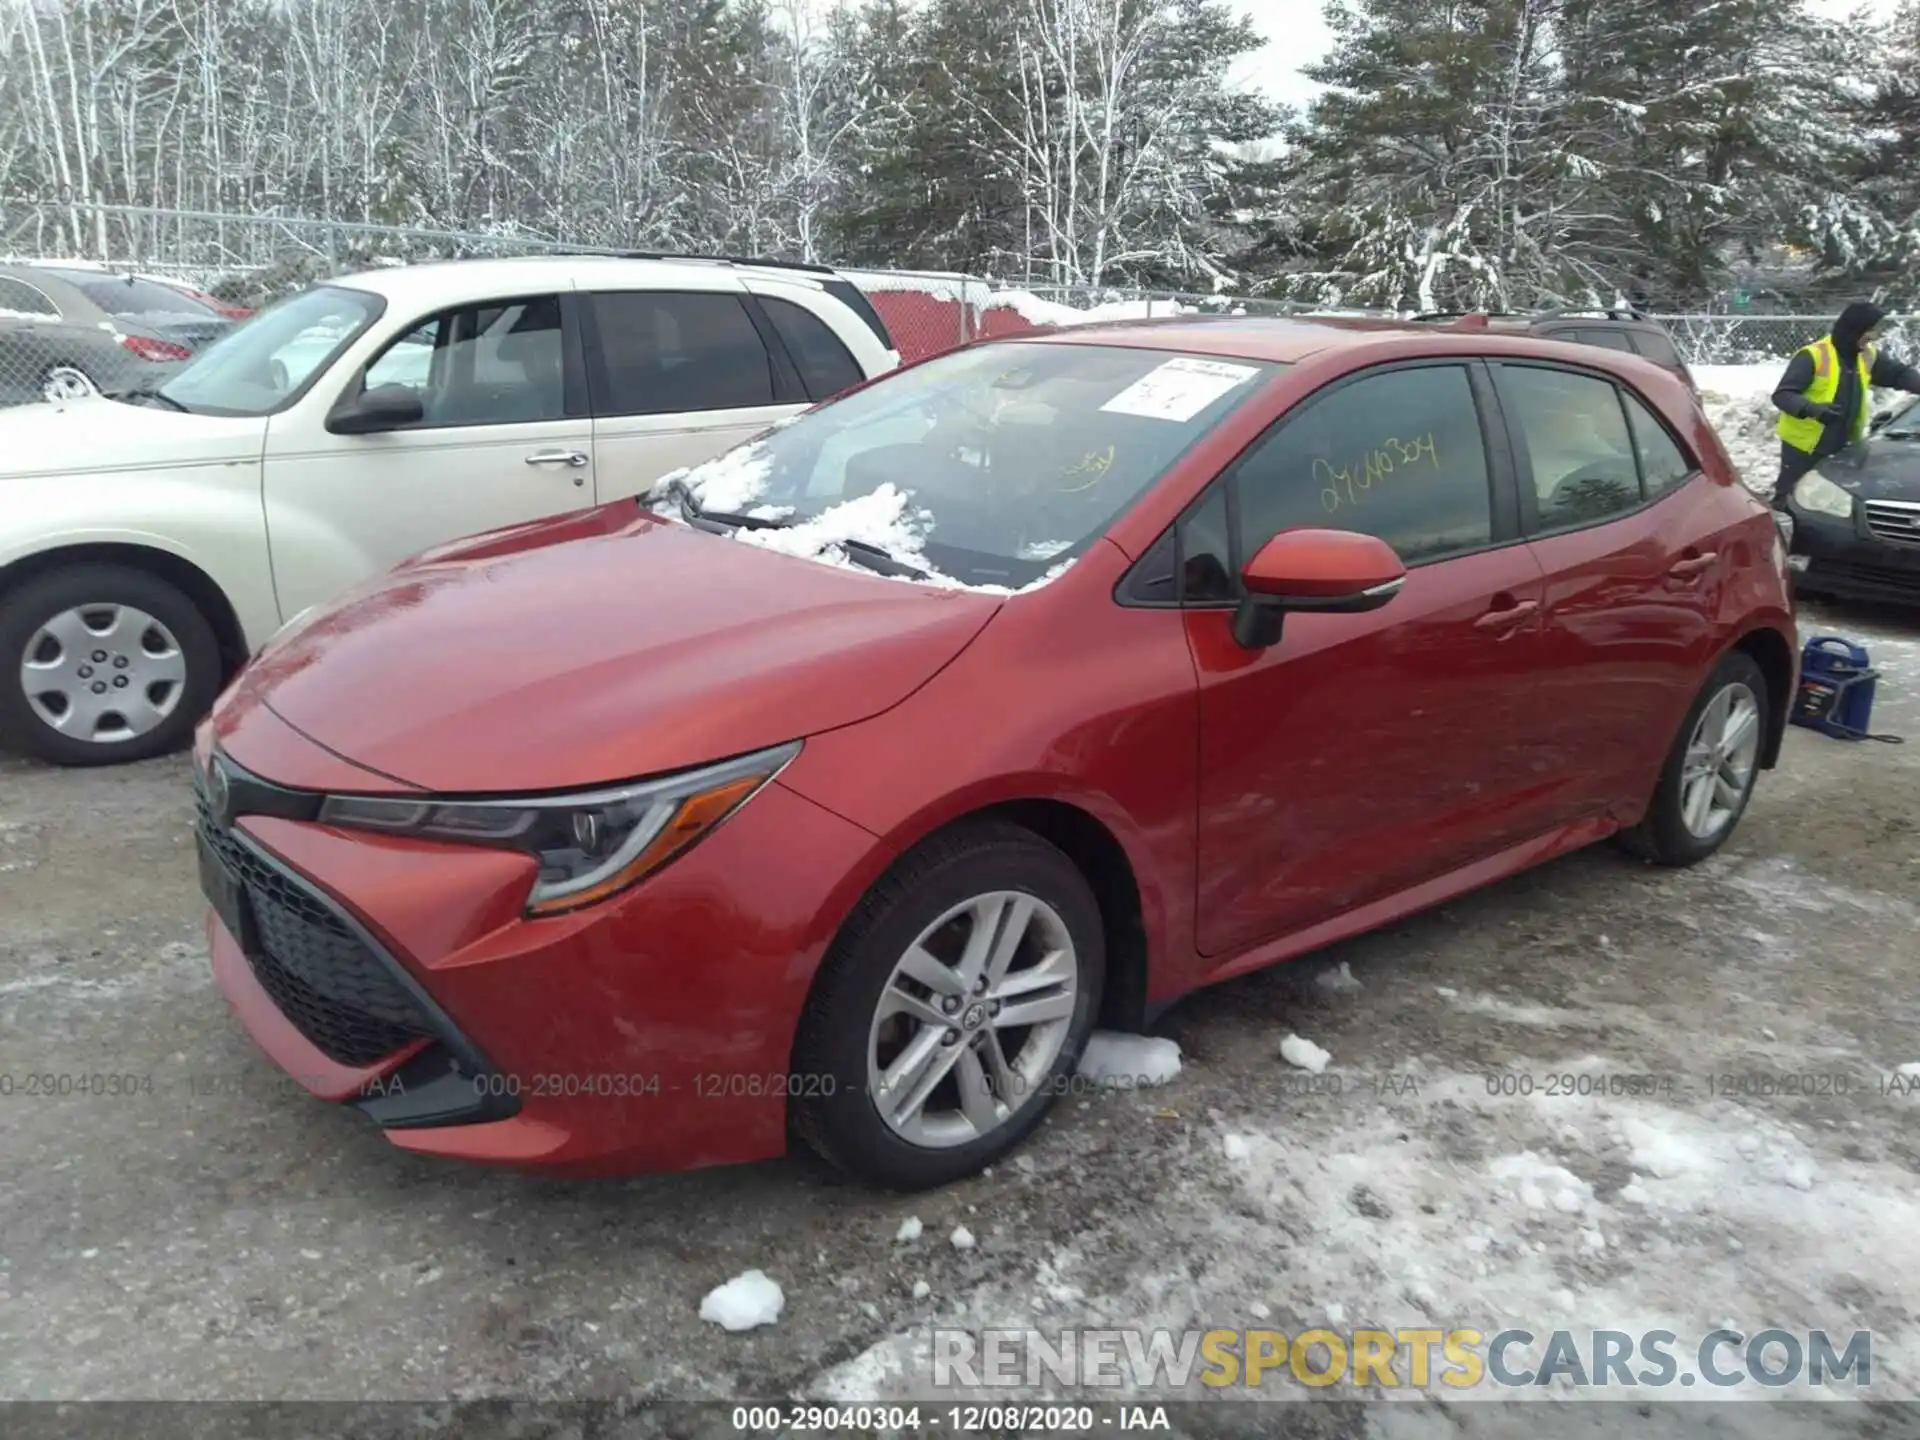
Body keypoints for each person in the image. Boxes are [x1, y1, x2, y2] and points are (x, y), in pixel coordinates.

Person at [1771, 301, 1920, 505]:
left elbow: (1899, 374)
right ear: (1854, 330)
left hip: (1843, 446)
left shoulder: (1867, 355)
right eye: (1871, 330)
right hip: (1805, 446)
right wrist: (1812, 409)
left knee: (1831, 502)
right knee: (1792, 498)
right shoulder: (1813, 355)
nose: (1875, 336)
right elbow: (1783, 395)